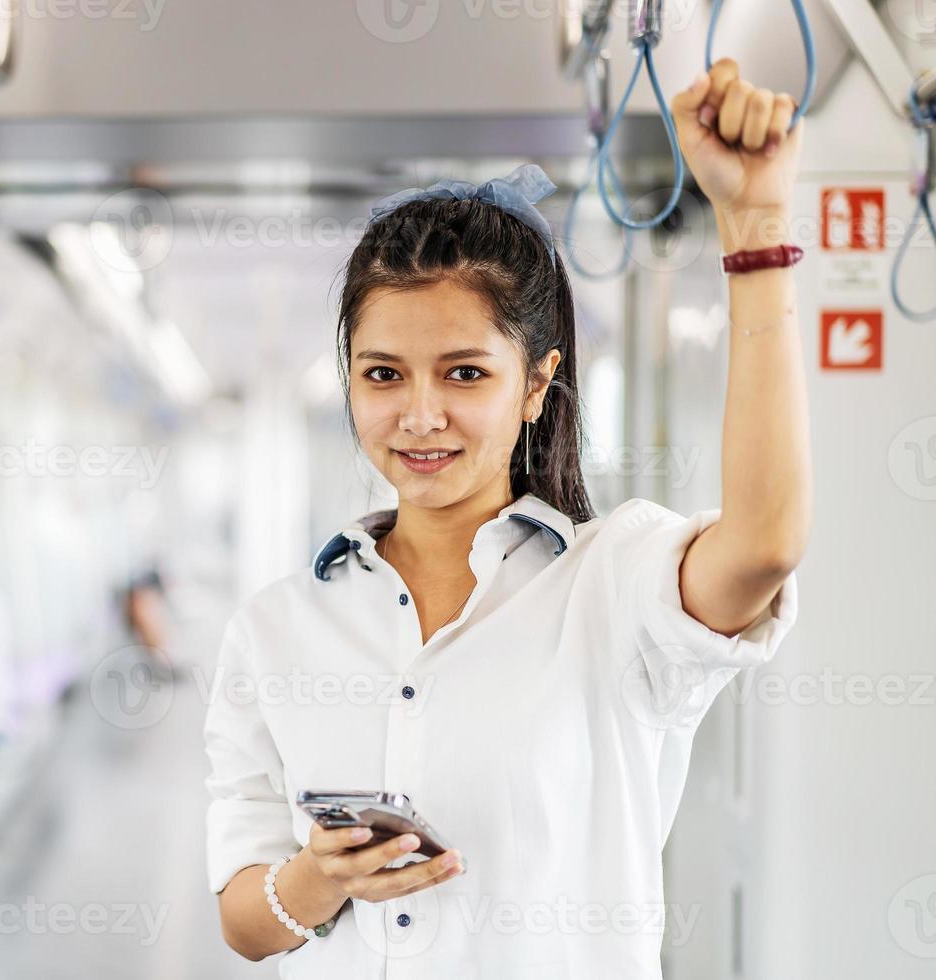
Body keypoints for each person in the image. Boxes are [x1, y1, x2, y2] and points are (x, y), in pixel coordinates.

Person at [203, 59, 809, 977]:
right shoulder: (277, 628)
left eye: (464, 373)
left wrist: (755, 225)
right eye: (382, 374)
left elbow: (764, 543)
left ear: (536, 384)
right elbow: (245, 924)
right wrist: (322, 877)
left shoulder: (616, 583)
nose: (419, 415)